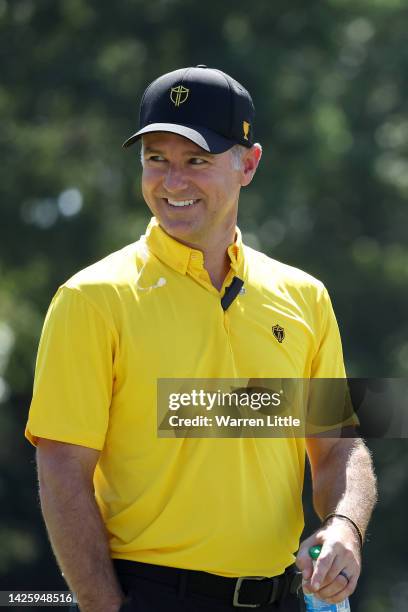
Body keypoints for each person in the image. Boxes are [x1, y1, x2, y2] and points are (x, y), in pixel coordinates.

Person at [25, 65, 377, 612]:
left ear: (249, 164)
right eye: (156, 159)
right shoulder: (90, 299)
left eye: (197, 161)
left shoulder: (305, 296)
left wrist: (346, 527)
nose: (172, 182)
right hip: (152, 596)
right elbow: (63, 470)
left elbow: (337, 446)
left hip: (286, 597)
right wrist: (104, 607)